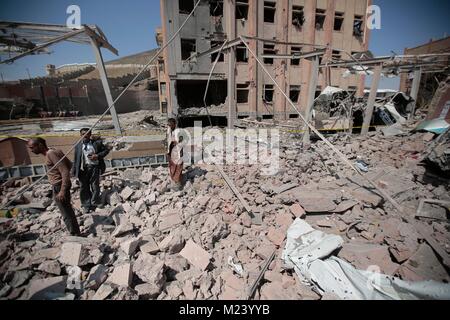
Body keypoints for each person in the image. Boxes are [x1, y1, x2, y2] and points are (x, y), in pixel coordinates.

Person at [27, 137, 81, 236]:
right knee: (67, 210)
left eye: (32, 147)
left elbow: (64, 171)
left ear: (40, 145)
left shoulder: (50, 154)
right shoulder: (55, 150)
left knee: (66, 212)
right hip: (59, 185)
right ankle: (75, 231)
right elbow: (69, 165)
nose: (31, 150)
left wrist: (62, 191)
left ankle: (75, 234)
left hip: (59, 186)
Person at [72, 128, 110, 213]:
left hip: (94, 167)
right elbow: (76, 158)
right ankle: (86, 205)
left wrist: (97, 156)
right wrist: (74, 170)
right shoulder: (78, 145)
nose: (85, 136)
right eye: (83, 134)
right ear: (80, 135)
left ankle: (95, 202)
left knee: (94, 185)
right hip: (82, 169)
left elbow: (106, 150)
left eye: (87, 134)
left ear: (90, 135)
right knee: (83, 187)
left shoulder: (96, 143)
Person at [167, 118, 184, 190]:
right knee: (172, 165)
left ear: (174, 124)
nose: (170, 126)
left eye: (171, 125)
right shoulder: (168, 131)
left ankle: (178, 183)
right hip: (171, 151)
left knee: (178, 166)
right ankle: (173, 180)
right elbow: (167, 141)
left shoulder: (179, 132)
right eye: (169, 125)